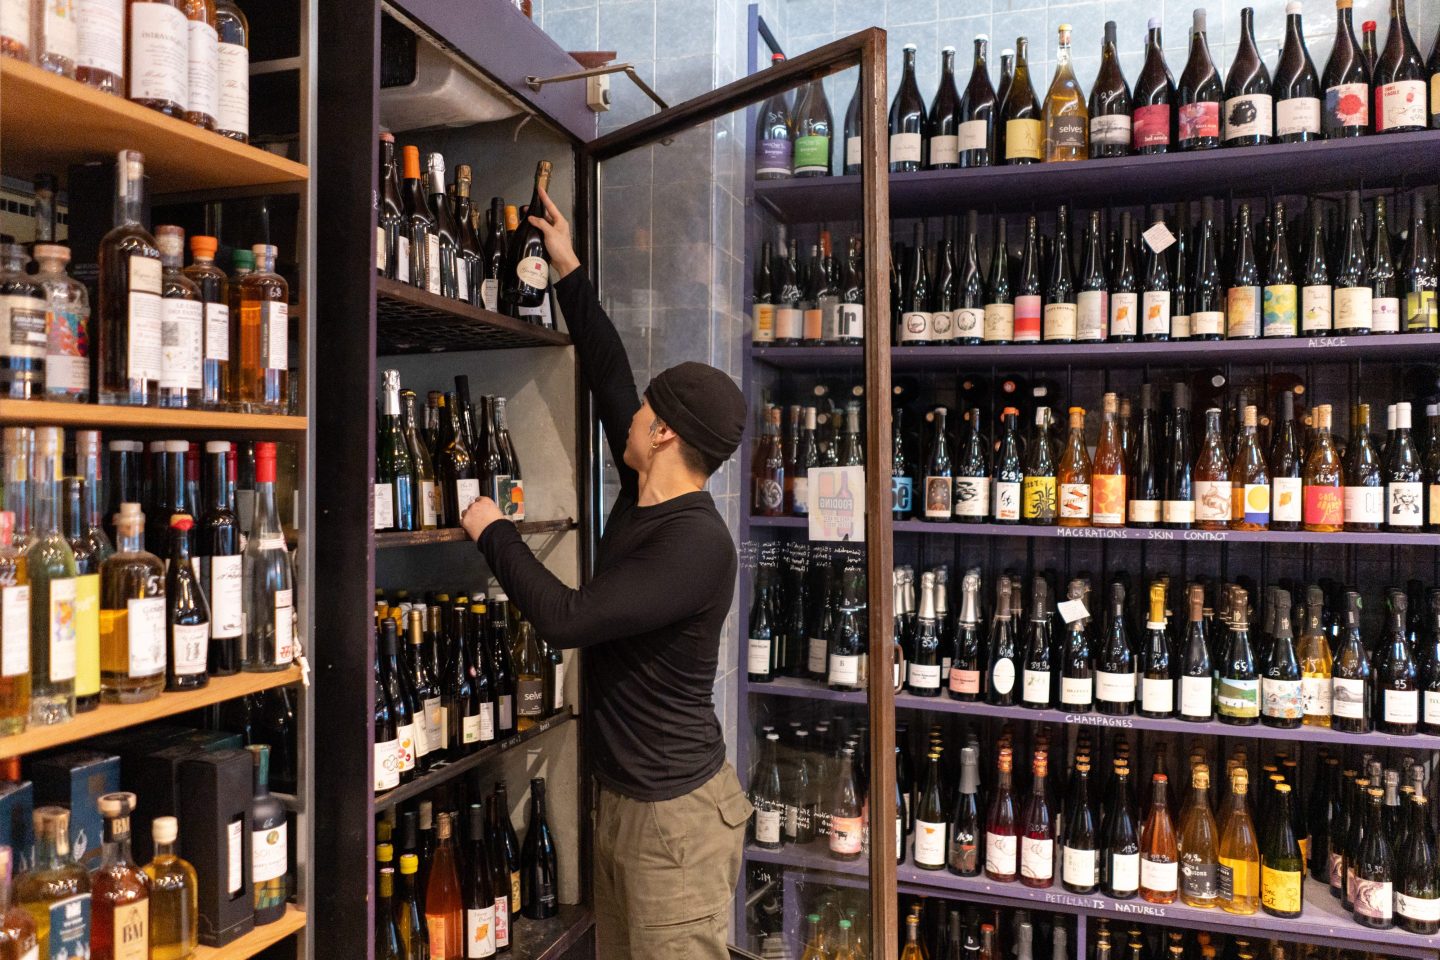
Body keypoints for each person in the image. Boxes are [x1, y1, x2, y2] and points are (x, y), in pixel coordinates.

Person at [461, 186, 752, 960]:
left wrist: (493, 530)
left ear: (660, 434)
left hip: (677, 821)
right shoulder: (648, 487)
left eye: (642, 412)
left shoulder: (697, 546)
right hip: (629, 803)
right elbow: (609, 373)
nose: (626, 415)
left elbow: (567, 618)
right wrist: (569, 271)